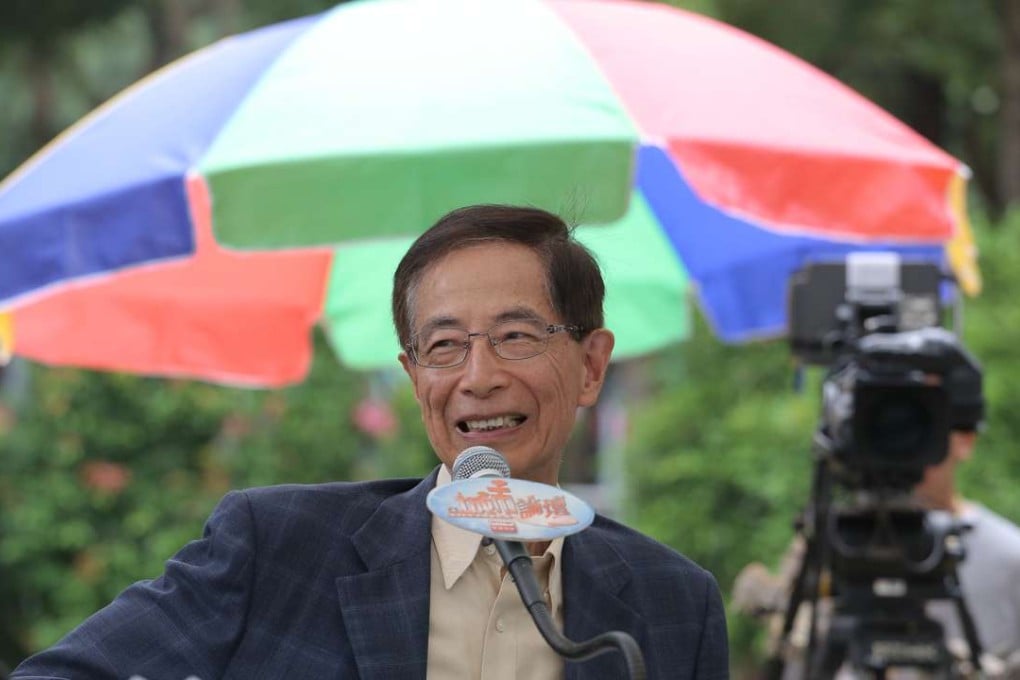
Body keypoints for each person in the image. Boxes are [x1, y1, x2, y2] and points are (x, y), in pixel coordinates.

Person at [13, 204, 729, 680]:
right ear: (414, 379)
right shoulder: (278, 546)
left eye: (515, 336)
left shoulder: (675, 603)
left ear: (591, 366)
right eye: (444, 346)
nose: (479, 377)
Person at [733, 429, 1020, 679]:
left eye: (920, 433)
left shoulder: (1009, 553)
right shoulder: (837, 541)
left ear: (964, 440)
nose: (904, 450)